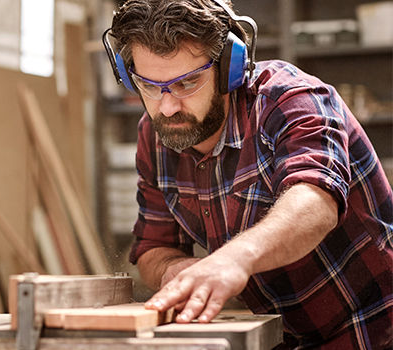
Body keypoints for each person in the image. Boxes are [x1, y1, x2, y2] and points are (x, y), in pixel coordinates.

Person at [103, 0, 393, 348]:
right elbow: (153, 246)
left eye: (187, 83)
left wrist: (232, 260)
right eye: (150, 86)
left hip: (375, 325)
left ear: (230, 68)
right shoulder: (155, 135)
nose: (167, 106)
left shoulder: (290, 99)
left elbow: (315, 202)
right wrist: (171, 270)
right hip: (281, 335)